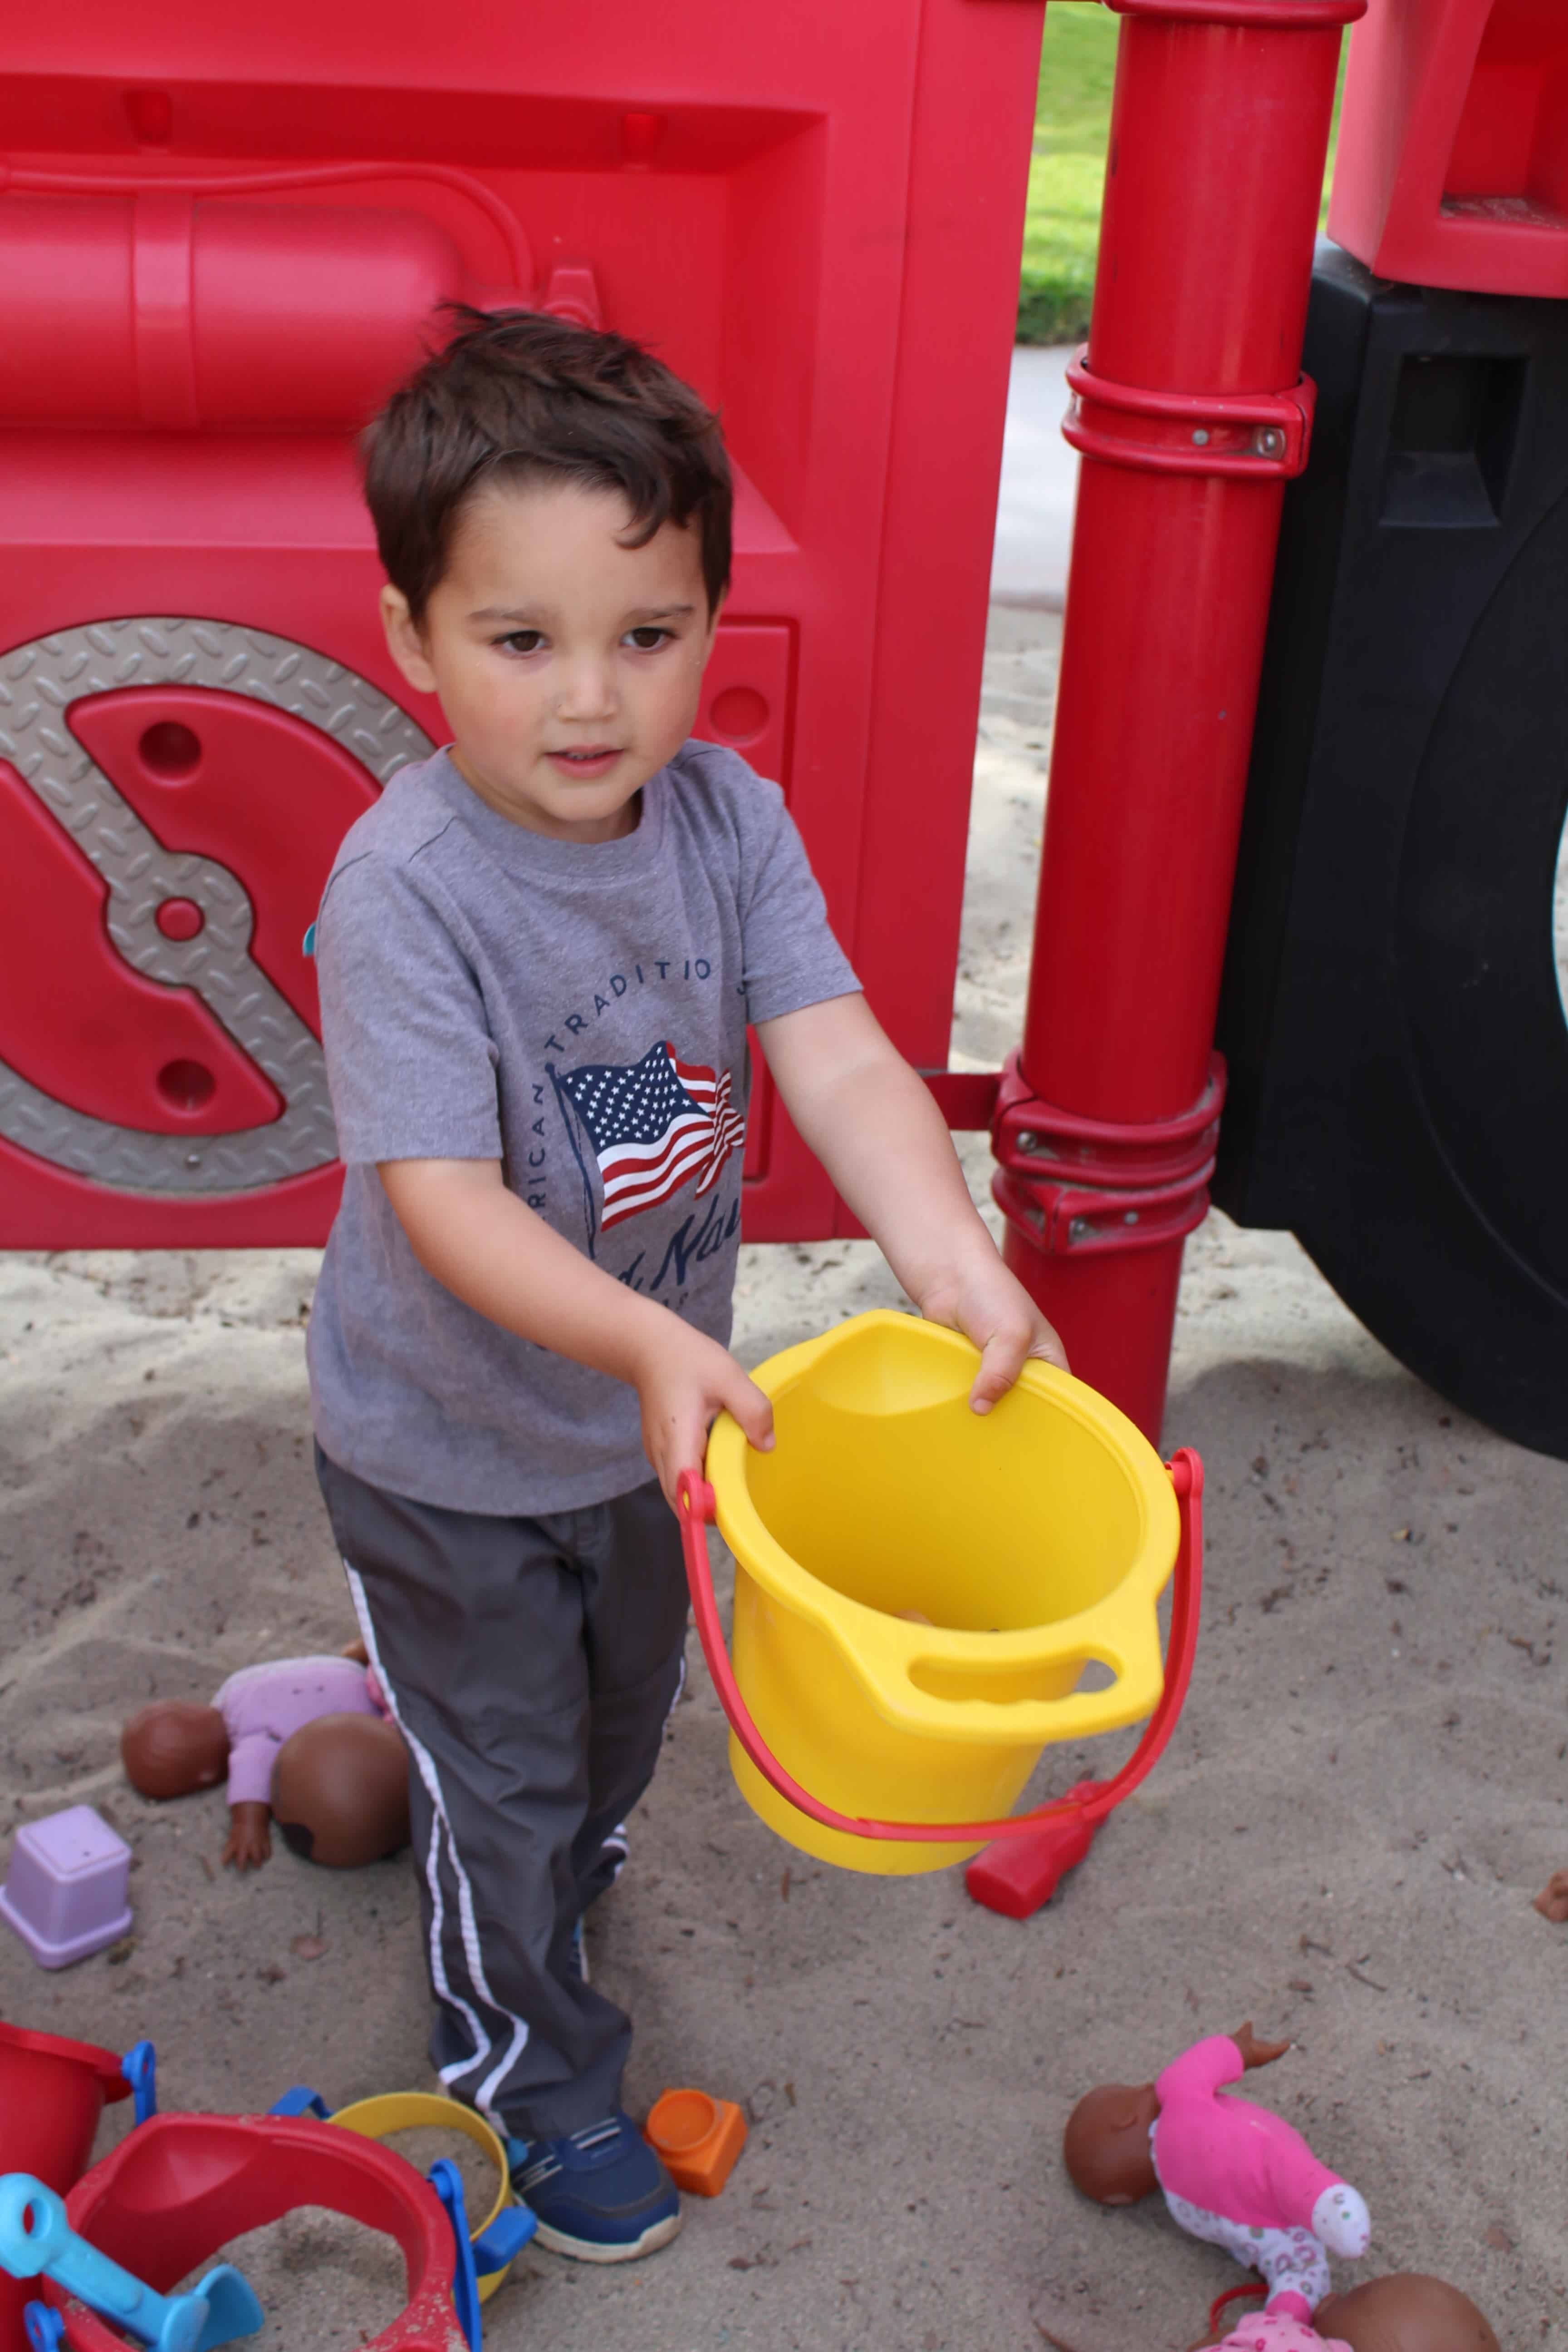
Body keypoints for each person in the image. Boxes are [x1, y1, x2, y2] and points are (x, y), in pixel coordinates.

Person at [306, 305, 1066, 2264]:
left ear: (712, 623)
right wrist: (649, 1334)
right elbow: (445, 1198)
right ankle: (531, 2077)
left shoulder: (726, 827)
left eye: (646, 637)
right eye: (520, 638)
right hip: (449, 1451)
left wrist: (950, 1248)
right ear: (412, 640)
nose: (590, 699)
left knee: (621, 1728)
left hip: (653, 1434)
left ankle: (550, 1868)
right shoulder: (408, 889)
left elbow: (834, 1050)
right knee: (504, 1789)